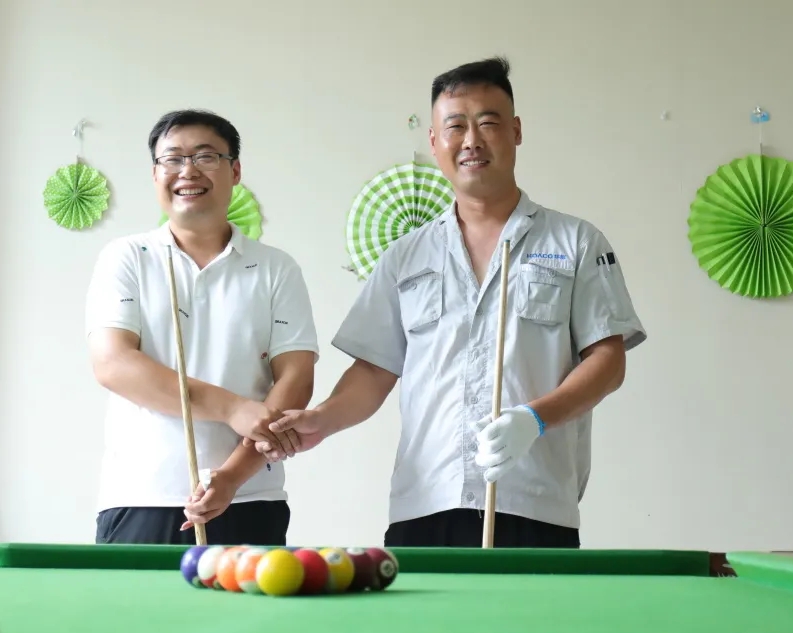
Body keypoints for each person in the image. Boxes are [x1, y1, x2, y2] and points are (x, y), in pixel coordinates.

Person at [256, 57, 646, 548]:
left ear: (516, 131)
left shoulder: (576, 242)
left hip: (534, 500)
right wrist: (321, 419)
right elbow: (374, 371)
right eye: (455, 126)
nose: (471, 141)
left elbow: (607, 362)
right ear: (435, 142)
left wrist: (535, 418)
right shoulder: (407, 255)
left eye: (488, 123)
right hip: (425, 502)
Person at [85, 109, 318, 546]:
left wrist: (231, 477)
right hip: (141, 497)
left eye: (205, 156)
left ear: (235, 171)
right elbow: (113, 365)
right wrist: (233, 408)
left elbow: (296, 379)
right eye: (172, 159)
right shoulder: (127, 257)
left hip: (250, 497)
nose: (187, 171)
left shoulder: (276, 268)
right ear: (155, 174)